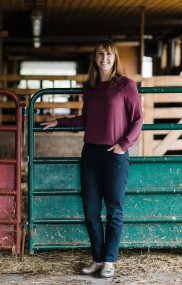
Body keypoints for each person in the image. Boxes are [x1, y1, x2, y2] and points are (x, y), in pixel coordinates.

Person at [40, 39, 143, 278]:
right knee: (91, 210)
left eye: (108, 54)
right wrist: (60, 121)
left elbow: (138, 119)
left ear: (115, 57)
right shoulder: (91, 87)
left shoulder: (126, 85)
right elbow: (87, 119)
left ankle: (110, 260)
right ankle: (97, 258)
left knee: (114, 209)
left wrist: (123, 144)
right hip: (90, 154)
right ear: (95, 58)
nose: (104, 58)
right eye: (100, 54)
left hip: (114, 154)